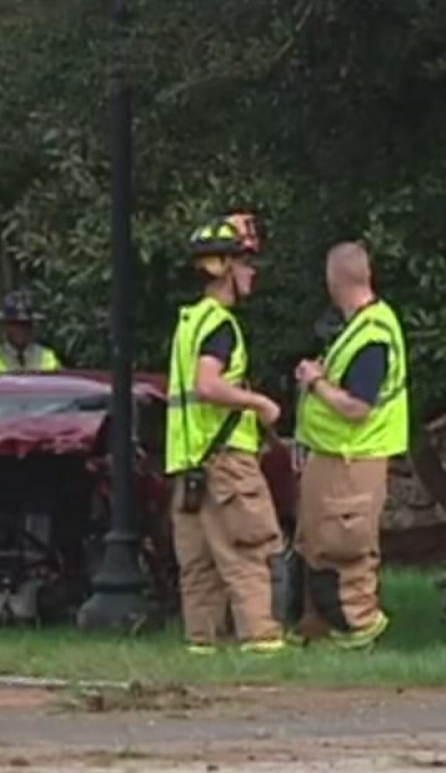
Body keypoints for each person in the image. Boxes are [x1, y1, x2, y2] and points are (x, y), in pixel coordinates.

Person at [164, 212, 291, 655]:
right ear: (225, 269)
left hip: (189, 460)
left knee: (198, 563)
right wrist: (260, 404)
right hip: (227, 462)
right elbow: (207, 385)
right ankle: (261, 641)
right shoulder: (219, 325)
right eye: (246, 262)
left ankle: (203, 645)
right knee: (249, 550)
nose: (253, 272)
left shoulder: (189, 322)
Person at [291, 241, 408, 649]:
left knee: (346, 544)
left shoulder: (372, 334)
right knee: (316, 543)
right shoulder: (359, 328)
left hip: (354, 457)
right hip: (334, 455)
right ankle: (319, 627)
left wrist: (315, 382)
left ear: (333, 280)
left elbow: (357, 407)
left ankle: (360, 628)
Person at [0, 291, 63, 375]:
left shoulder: (49, 360)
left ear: (31, 326)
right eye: (15, 324)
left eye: (24, 324)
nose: (20, 329)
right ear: (5, 326)